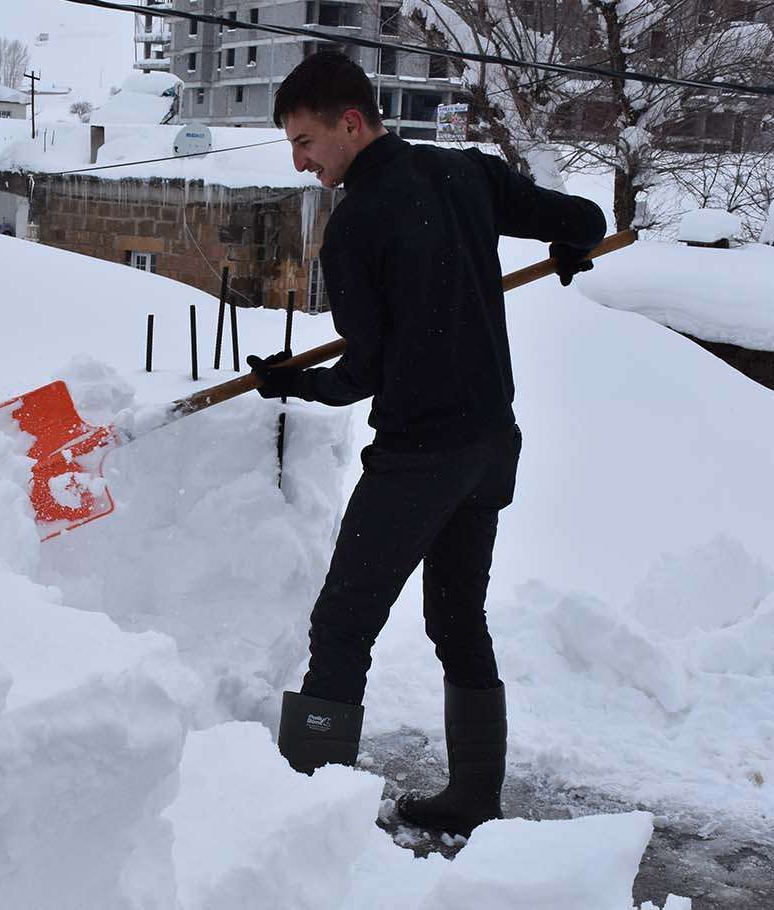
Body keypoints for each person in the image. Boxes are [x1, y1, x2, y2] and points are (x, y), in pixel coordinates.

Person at [247, 51, 606, 838]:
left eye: (305, 142)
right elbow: (584, 220)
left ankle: (304, 811)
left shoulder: (357, 225)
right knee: (456, 621)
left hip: (419, 456)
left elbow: (362, 373)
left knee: (344, 624)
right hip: (488, 448)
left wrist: (291, 383)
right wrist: (573, 246)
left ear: (350, 122)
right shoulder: (465, 174)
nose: (301, 162)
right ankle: (474, 798)